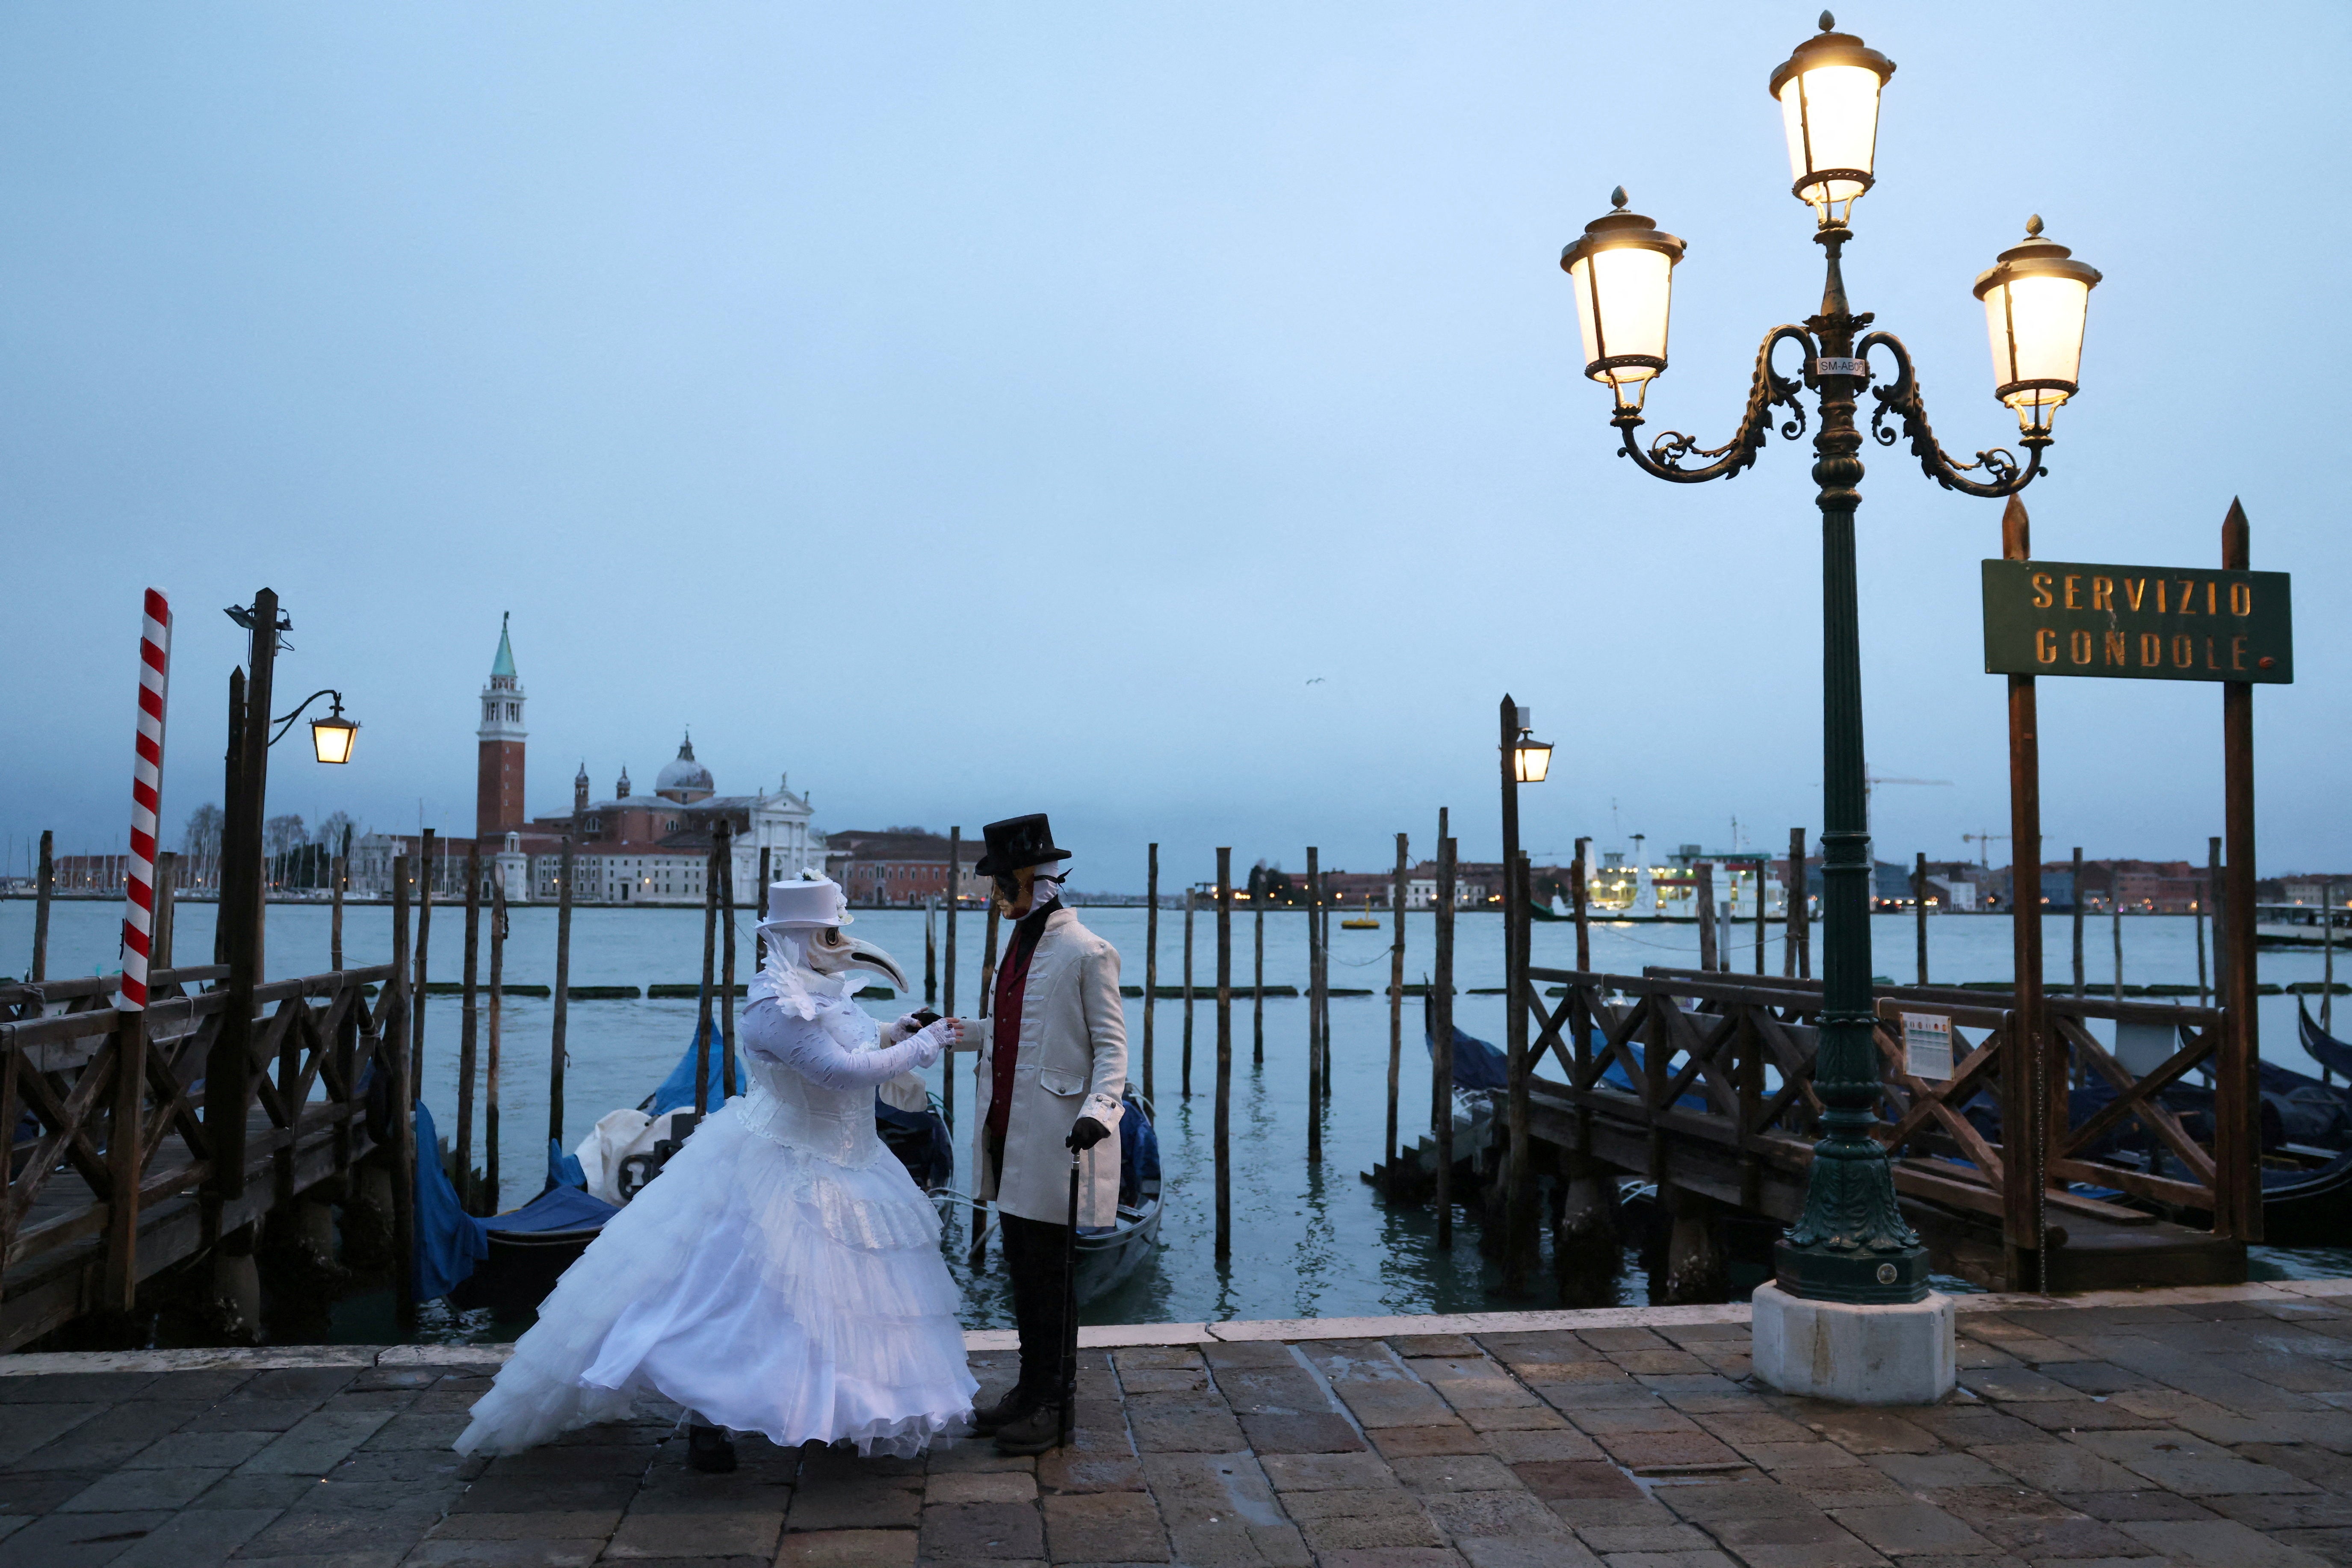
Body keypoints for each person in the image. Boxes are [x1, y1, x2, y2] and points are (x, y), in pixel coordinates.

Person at [455, 873, 977, 1471]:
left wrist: (897, 1030)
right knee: (740, 1299)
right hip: (785, 1166)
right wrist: (924, 1046)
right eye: (831, 932)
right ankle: (710, 1420)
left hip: (852, 1163)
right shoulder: (776, 1006)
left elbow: (854, 1041)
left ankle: (836, 1412)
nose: (841, 943)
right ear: (802, 936)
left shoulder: (818, 988)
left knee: (843, 1307)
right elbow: (838, 1073)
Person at [966, 813, 1127, 1455]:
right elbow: (1013, 1032)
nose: (996, 896)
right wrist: (956, 1031)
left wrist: (1101, 1110)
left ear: (1036, 883)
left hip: (1060, 1137)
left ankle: (1053, 1401)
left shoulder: (1087, 951)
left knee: (1052, 1279)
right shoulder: (1020, 945)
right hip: (1008, 1134)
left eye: (1004, 884)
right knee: (1023, 1274)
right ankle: (1029, 1390)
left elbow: (1113, 1052)